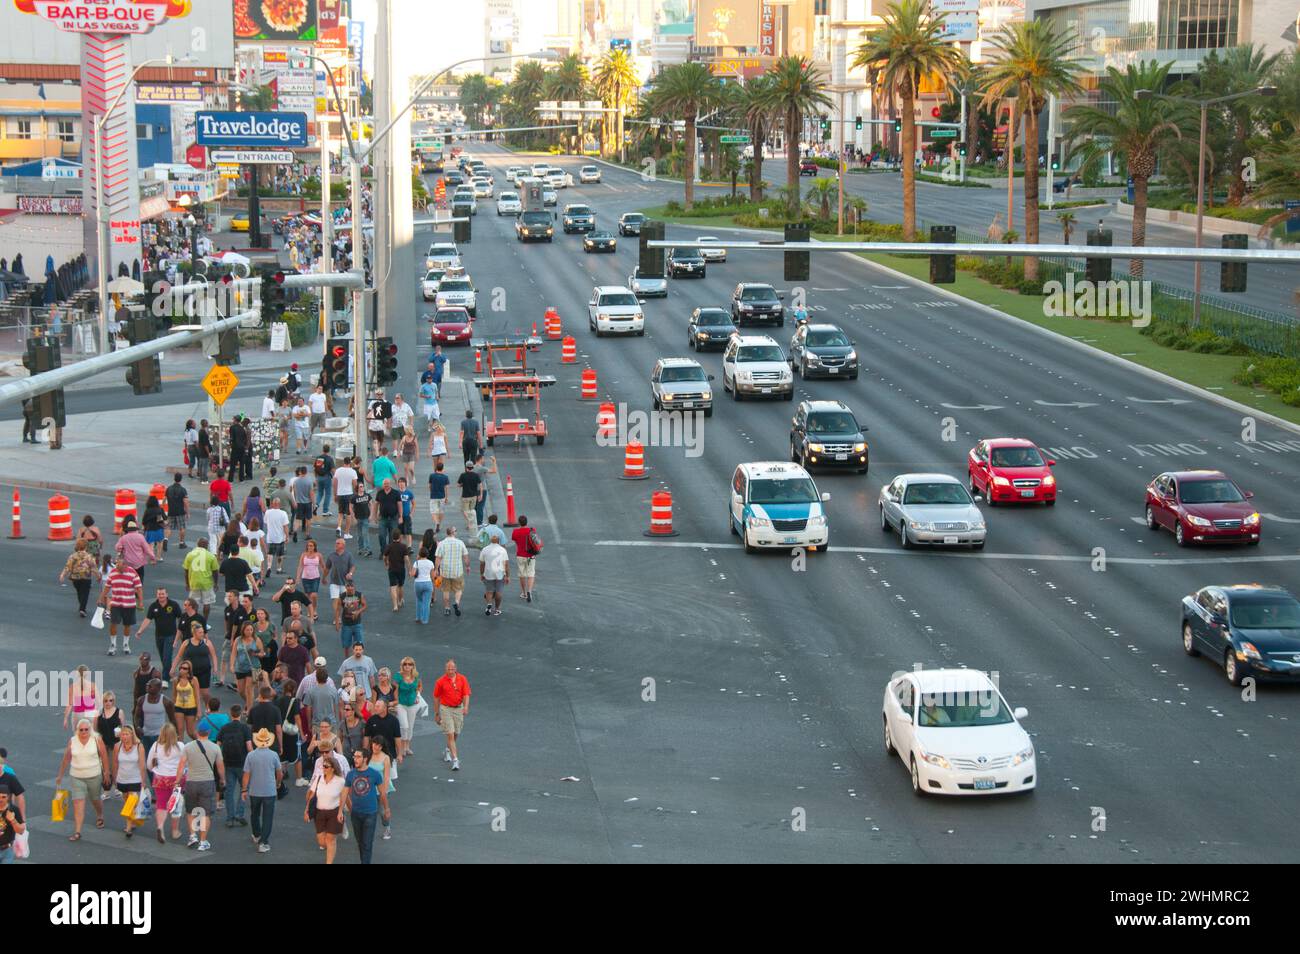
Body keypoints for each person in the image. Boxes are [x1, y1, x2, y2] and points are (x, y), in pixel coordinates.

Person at [55, 719, 110, 840]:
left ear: (90, 730)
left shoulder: (96, 740)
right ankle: (77, 831)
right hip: (76, 776)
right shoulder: (72, 741)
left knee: (95, 799)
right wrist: (60, 776)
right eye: (81, 730)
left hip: (94, 775)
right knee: (78, 802)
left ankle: (100, 815)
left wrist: (106, 772)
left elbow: (104, 755)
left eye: (86, 729)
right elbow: (66, 759)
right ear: (77, 730)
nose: (84, 732)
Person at [182, 723, 224, 851]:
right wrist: (222, 779)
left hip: (191, 782)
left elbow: (181, 765)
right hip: (207, 782)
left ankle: (192, 836)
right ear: (209, 732)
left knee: (191, 811)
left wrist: (178, 780)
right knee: (206, 813)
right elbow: (220, 767)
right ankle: (203, 841)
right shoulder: (215, 747)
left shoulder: (188, 747)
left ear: (197, 732)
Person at [343, 747, 387, 864]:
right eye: (354, 757)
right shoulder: (350, 774)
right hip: (355, 813)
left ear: (365, 759)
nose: (355, 759)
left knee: (367, 843)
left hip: (370, 813)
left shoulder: (375, 774)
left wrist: (386, 809)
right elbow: (344, 793)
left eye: (358, 757)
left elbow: (382, 793)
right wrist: (339, 811)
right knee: (360, 842)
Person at [243, 728, 282, 853]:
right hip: (269, 790)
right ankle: (263, 842)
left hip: (254, 790)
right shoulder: (274, 755)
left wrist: (244, 789)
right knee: (267, 817)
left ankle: (256, 834)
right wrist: (278, 783)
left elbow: (246, 774)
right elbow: (279, 772)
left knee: (254, 813)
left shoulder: (250, 755)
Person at [215, 703, 252, 829]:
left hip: (228, 764)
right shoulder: (245, 728)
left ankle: (230, 818)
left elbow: (218, 745)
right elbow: (249, 747)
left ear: (231, 714)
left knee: (229, 791)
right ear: (241, 714)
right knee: (244, 789)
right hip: (242, 764)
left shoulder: (225, 728)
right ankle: (239, 814)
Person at [307, 750, 346, 862]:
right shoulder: (319, 779)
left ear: (333, 768)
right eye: (323, 766)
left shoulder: (340, 781)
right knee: (321, 842)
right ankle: (331, 841)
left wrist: (341, 812)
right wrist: (306, 810)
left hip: (334, 812)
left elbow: (344, 798)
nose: (323, 768)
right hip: (319, 812)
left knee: (330, 839)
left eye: (326, 766)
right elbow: (312, 796)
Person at [100, 555, 143, 657]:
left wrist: (140, 602)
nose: (117, 568)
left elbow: (139, 588)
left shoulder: (133, 573)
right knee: (113, 623)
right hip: (115, 603)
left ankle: (126, 644)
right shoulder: (113, 572)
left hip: (129, 604)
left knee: (127, 625)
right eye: (116, 565)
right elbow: (107, 587)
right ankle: (113, 645)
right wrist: (101, 598)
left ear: (125, 565)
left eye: (119, 566)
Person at [135, 586, 182, 678]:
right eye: (159, 594)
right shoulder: (153, 606)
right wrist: (140, 631)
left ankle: (165, 679)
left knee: (166, 657)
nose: (161, 596)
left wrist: (181, 633)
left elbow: (180, 618)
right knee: (163, 658)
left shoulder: (173, 605)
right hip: (159, 636)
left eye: (163, 594)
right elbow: (148, 619)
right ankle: (170, 673)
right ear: (157, 595)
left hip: (171, 635)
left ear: (166, 594)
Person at [432, 659, 470, 771]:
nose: (450, 670)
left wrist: (466, 706)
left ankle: (448, 750)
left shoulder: (462, 679)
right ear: (445, 669)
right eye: (448, 668)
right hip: (446, 709)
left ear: (455, 669)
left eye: (452, 668)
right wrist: (437, 713)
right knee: (450, 733)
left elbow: (466, 694)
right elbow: (436, 697)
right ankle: (455, 760)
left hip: (458, 708)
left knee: (456, 732)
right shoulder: (440, 681)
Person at [111, 725, 146, 838]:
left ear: (132, 735)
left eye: (127, 734)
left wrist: (143, 781)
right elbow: (115, 763)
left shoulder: (139, 747)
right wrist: (114, 778)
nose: (124, 736)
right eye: (122, 734)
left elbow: (142, 765)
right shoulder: (117, 746)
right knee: (127, 802)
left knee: (131, 802)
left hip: (135, 779)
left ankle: (128, 827)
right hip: (122, 779)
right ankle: (133, 818)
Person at [59, 538, 100, 617]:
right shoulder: (89, 556)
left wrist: (62, 575)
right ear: (86, 547)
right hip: (86, 577)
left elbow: (68, 567)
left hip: (75, 577)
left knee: (79, 592)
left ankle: (81, 605)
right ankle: (82, 608)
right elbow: (93, 568)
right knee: (85, 593)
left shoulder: (72, 556)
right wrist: (98, 576)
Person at [133, 678, 174, 758]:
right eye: (147, 685)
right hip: (145, 734)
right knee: (146, 757)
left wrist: (173, 734)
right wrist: (138, 727)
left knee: (158, 757)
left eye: (150, 686)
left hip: (160, 735)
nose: (147, 687)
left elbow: (172, 719)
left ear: (158, 688)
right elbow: (136, 716)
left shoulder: (166, 701)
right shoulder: (141, 700)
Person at [435, 527, 470, 617]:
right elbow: (465, 556)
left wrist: (436, 569)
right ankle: (456, 602)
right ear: (453, 533)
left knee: (446, 590)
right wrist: (467, 566)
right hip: (457, 571)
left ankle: (447, 609)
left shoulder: (441, 544)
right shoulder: (460, 543)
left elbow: (438, 558)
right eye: (456, 531)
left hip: (445, 571)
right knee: (458, 589)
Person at [324, 536, 356, 629]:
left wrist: (350, 573)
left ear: (343, 545)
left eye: (338, 543)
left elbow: (353, 566)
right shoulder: (331, 555)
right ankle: (337, 617)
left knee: (347, 601)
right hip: (334, 581)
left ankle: (348, 616)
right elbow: (327, 568)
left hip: (345, 582)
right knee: (336, 600)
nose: (336, 545)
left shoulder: (348, 555)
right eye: (336, 543)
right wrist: (324, 578)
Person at [395, 658, 422, 761]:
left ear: (413, 666)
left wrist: (418, 695)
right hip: (401, 704)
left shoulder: (416, 676)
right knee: (404, 726)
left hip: (412, 704)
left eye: (409, 664)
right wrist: (396, 701)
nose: (407, 666)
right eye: (405, 664)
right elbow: (395, 690)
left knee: (410, 726)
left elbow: (419, 686)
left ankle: (407, 747)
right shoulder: (398, 676)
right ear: (402, 665)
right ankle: (401, 748)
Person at [116, 519, 156, 587]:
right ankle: (138, 593)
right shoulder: (140, 537)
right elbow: (147, 549)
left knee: (129, 579)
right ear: (135, 529)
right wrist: (153, 558)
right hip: (139, 563)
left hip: (128, 563)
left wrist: (122, 548)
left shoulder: (124, 538)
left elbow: (117, 547)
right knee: (139, 580)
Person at [511, 514, 540, 603]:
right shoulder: (532, 530)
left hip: (520, 555)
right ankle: (529, 591)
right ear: (526, 522)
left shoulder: (515, 532)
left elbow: (515, 540)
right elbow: (536, 541)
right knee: (531, 574)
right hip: (530, 556)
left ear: (519, 523)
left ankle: (523, 592)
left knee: (522, 574)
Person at [480, 534, 510, 617]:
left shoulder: (485, 549)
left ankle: (489, 604)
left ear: (490, 541)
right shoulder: (503, 550)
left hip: (488, 573)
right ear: (498, 541)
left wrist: (482, 573)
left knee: (489, 591)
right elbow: (506, 564)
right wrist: (508, 575)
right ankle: (497, 609)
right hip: (500, 573)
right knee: (498, 592)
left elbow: (482, 564)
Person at [333, 457, 358, 539]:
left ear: (343, 462)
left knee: (340, 512)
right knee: (348, 514)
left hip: (340, 493)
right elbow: (355, 485)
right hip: (349, 494)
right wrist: (356, 494)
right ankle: (346, 533)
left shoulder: (338, 470)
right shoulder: (353, 472)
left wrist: (335, 494)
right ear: (350, 463)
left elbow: (335, 483)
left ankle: (339, 527)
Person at [456, 460, 484, 535]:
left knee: (464, 510)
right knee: (471, 510)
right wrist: (481, 494)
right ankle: (471, 523)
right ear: (472, 467)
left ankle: (470, 523)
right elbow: (480, 485)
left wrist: (462, 485)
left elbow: (458, 485)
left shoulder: (463, 475)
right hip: (474, 496)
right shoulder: (476, 475)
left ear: (466, 467)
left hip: (465, 496)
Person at [263, 497, 290, 574]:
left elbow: (266, 522)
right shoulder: (283, 513)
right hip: (280, 537)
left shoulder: (267, 512)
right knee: (280, 554)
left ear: (272, 504)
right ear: (279, 504)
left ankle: (268, 567)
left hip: (270, 537)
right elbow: (285, 527)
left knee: (270, 553)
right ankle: (279, 568)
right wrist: (287, 536)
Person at [338, 581, 366, 651]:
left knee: (359, 644)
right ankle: (346, 660)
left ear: (354, 587)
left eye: (351, 586)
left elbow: (364, 605)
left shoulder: (359, 595)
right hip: (346, 624)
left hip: (357, 624)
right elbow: (338, 610)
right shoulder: (342, 596)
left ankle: (359, 660)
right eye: (348, 586)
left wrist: (358, 612)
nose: (350, 588)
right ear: (346, 587)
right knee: (346, 646)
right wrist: (337, 622)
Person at [374, 477, 401, 551]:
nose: (386, 485)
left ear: (390, 484)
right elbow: (376, 505)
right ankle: (383, 551)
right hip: (383, 518)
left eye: (387, 483)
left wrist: (400, 516)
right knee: (381, 535)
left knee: (392, 537)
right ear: (383, 485)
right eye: (385, 484)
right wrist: (375, 516)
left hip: (393, 518)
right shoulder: (380, 493)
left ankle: (390, 552)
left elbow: (399, 505)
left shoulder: (396, 493)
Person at [164, 473, 189, 550]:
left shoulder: (168, 489)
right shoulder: (183, 490)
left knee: (169, 527)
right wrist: (187, 512)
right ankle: (181, 543)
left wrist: (163, 509)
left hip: (171, 511)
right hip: (180, 512)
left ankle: (165, 539)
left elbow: (164, 500)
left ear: (174, 478)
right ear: (181, 479)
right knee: (182, 527)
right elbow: (185, 502)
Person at [0, 788, 25, 864]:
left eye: (3, 797)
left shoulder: (14, 810)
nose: (0, 799)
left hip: (7, 851)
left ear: (8, 797)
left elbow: (21, 831)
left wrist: (12, 820)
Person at [412, 546, 436, 625]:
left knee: (419, 600)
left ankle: (418, 617)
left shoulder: (417, 563)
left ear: (419, 554)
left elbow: (412, 574)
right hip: (427, 583)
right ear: (427, 554)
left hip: (418, 583)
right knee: (426, 602)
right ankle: (424, 620)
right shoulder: (431, 563)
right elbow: (433, 577)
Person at [290, 466, 314, 542]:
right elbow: (311, 494)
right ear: (306, 472)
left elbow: (294, 492)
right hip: (307, 503)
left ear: (300, 472)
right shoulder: (309, 481)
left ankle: (295, 531)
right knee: (308, 519)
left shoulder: (296, 481)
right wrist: (314, 503)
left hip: (299, 502)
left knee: (297, 520)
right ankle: (307, 534)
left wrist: (296, 500)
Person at [313, 443, 335, 517]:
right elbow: (332, 470)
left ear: (323, 450)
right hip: (327, 477)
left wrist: (316, 478)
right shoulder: (330, 459)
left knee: (320, 493)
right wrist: (335, 477)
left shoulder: (318, 458)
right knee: (328, 494)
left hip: (319, 477)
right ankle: (325, 511)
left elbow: (315, 469)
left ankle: (316, 505)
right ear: (329, 450)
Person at [352, 479, 373, 556]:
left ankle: (368, 549)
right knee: (359, 535)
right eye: (360, 486)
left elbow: (371, 504)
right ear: (357, 488)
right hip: (358, 518)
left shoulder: (367, 496)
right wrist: (353, 518)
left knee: (365, 533)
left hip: (365, 518)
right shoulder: (354, 497)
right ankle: (360, 548)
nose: (362, 488)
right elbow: (350, 508)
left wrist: (371, 515)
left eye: (363, 486)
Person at [398, 476, 416, 544]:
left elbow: (414, 504)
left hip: (407, 515)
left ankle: (409, 547)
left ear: (405, 483)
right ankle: (401, 546)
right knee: (400, 532)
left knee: (408, 531)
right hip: (399, 516)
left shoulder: (409, 493)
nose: (401, 483)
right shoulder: (396, 493)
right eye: (399, 482)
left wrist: (411, 514)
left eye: (402, 482)